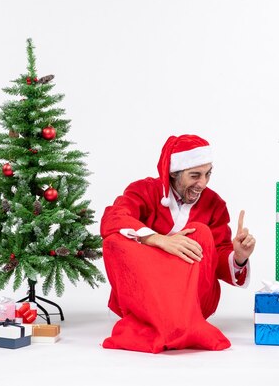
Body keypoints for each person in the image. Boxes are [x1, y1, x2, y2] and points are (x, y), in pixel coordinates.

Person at [100, 134, 256, 353]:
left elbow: (217, 256)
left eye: (207, 174)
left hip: (194, 297)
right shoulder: (144, 190)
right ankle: (173, 327)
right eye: (195, 175)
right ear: (174, 173)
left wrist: (239, 256)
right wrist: (157, 240)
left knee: (200, 233)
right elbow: (113, 218)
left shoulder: (214, 204)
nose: (202, 183)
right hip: (148, 293)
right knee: (114, 241)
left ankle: (166, 326)